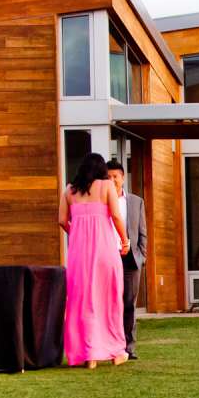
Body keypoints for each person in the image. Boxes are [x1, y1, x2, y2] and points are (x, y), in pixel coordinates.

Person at [60, 152, 128, 367]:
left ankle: (88, 354)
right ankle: (116, 352)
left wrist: (78, 232)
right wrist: (124, 240)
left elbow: (62, 220)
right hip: (105, 250)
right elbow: (116, 216)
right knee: (110, 298)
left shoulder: (69, 190)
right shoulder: (106, 186)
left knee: (82, 300)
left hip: (79, 254)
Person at [106, 157, 145, 360]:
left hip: (131, 259)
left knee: (129, 303)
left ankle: (129, 348)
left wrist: (141, 256)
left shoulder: (136, 201)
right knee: (111, 303)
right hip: (107, 257)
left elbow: (142, 232)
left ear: (122, 178)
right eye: (108, 177)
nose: (112, 180)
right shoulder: (101, 202)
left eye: (115, 176)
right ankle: (111, 346)